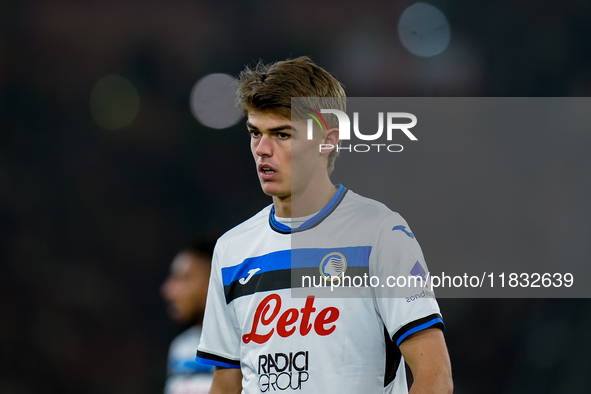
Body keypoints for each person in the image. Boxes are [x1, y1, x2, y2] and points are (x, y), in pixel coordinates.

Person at [196, 56, 453, 393]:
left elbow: (435, 378)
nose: (262, 149)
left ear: (328, 140)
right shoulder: (231, 249)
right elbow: (226, 384)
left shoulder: (380, 235)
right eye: (255, 133)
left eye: (282, 134)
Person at [161, 238, 217, 394]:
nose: (168, 291)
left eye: (182, 278)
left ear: (214, 279)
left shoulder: (246, 345)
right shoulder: (181, 348)